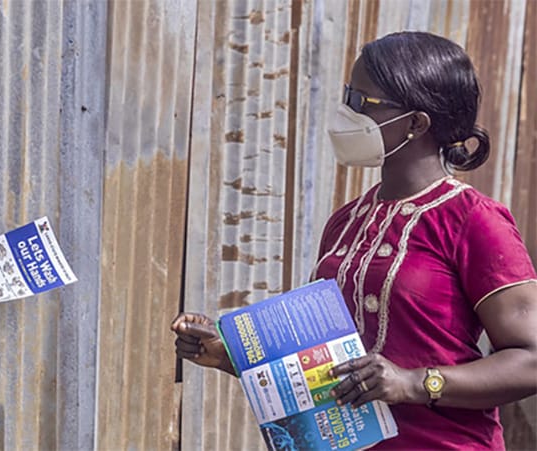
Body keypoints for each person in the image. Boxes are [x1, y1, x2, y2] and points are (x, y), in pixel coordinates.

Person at [172, 31, 537, 450]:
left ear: (416, 123)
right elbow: (329, 364)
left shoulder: (473, 220)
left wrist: (415, 383)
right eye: (348, 96)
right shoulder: (346, 222)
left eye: (362, 103)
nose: (346, 112)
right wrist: (232, 357)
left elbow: (531, 360)